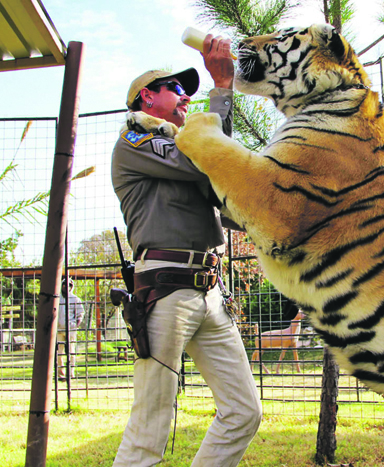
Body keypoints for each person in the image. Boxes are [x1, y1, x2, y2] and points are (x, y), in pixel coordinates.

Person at [111, 34, 262, 467]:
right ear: (147, 97)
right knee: (149, 429)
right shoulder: (136, 142)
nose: (185, 97)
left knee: (244, 413)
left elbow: (225, 177)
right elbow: (206, 159)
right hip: (166, 290)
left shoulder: (181, 148)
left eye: (189, 91)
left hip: (211, 292)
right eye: (176, 88)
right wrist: (221, 90)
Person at [57, 277, 84, 381]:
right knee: (59, 353)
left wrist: (75, 325)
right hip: (58, 330)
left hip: (70, 330)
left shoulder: (75, 299)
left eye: (68, 285)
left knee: (71, 352)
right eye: (64, 285)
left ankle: (70, 374)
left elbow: (80, 314)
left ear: (71, 287)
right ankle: (61, 374)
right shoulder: (57, 298)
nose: (66, 287)